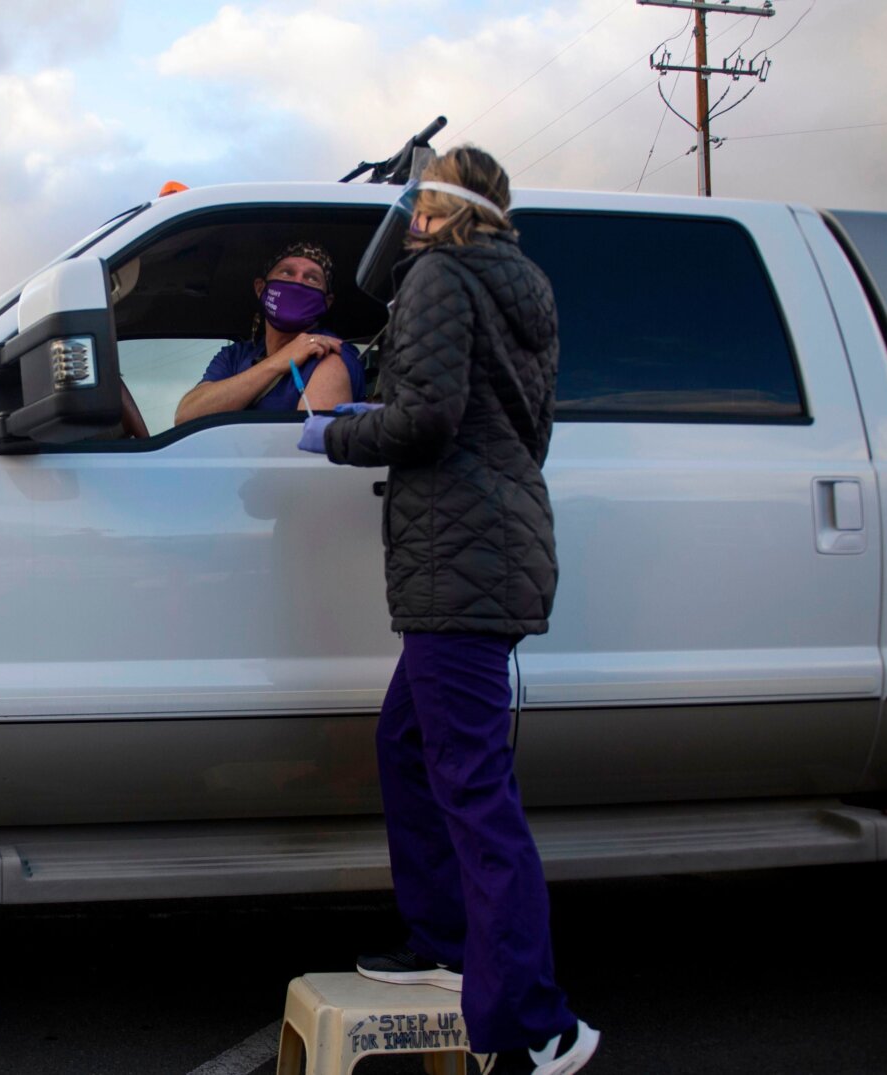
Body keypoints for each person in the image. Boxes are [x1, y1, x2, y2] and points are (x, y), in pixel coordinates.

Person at [298, 146, 598, 1075]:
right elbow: (514, 428)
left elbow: (425, 418)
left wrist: (332, 431)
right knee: (410, 744)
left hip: (459, 560)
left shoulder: (437, 276)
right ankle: (444, 943)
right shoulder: (521, 286)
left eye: (419, 203)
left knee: (473, 787)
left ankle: (541, 1021)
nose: (411, 219)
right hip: (492, 546)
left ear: (441, 212)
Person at [172, 242, 364, 425]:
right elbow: (186, 416)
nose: (298, 284)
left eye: (312, 278)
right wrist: (279, 362)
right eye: (287, 272)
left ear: (327, 301)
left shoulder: (329, 354)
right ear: (260, 288)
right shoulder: (236, 355)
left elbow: (311, 453)